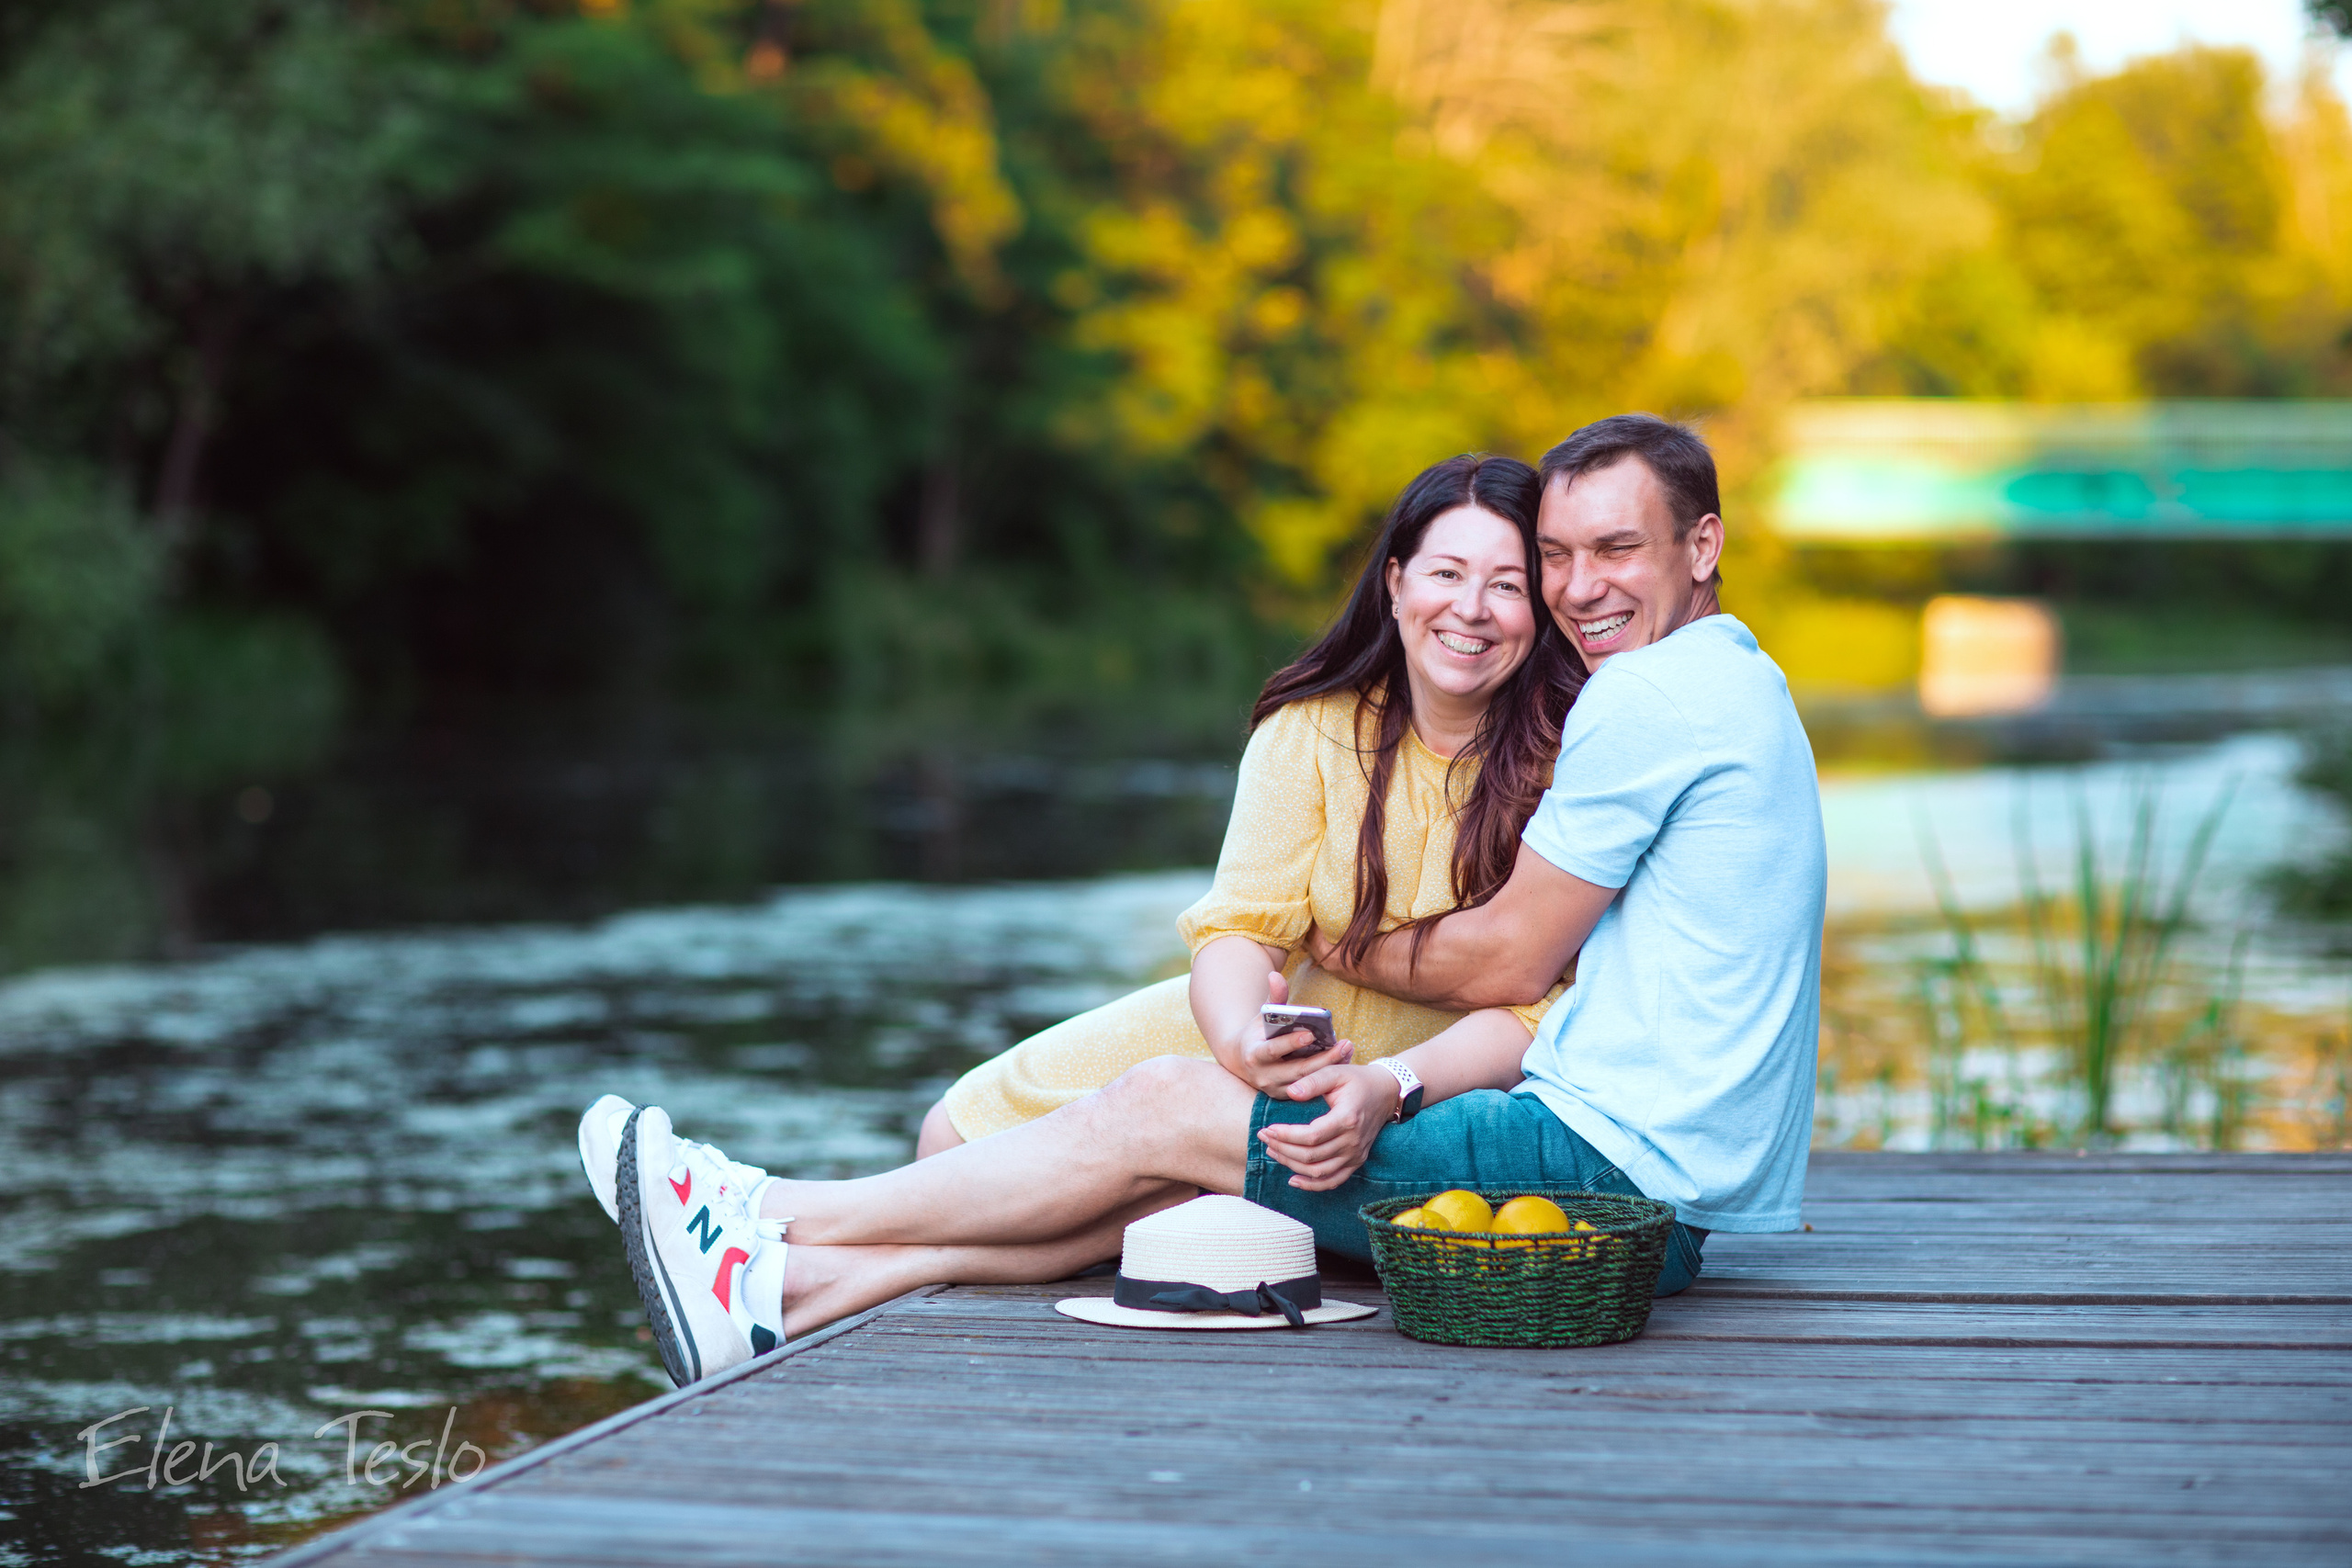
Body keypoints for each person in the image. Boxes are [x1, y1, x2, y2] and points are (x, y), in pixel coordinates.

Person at [581, 415, 1826, 1388]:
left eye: (1609, 551)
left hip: (1599, 1170)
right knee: (1114, 1164)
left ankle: (761, 1212)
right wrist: (1263, 1027)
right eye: (1558, 555)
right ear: (1395, 582)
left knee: (1165, 1113)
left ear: (1700, 547)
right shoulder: (1730, 680)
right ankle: (788, 1292)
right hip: (1624, 1161)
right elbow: (1246, 929)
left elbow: (1514, 966)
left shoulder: (1630, 704)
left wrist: (1363, 1004)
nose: (1572, 586)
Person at [910, 452, 1582, 1156]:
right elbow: (1240, 928)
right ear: (1394, 583)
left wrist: (1393, 1078)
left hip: (1439, 1085)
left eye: (1506, 585)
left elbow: (1544, 1004)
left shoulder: (1575, 757)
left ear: (1540, 607)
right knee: (955, 1130)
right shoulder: (1314, 727)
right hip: (1280, 1041)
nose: (1471, 607)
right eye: (1446, 573)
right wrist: (1241, 1041)